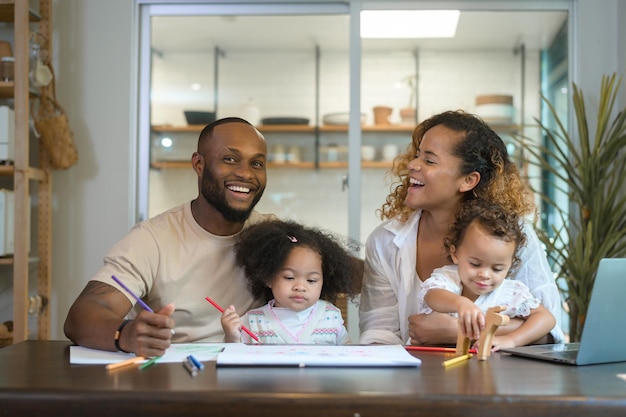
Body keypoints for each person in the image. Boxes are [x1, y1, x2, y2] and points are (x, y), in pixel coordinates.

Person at [64, 117, 276, 358]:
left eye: (257, 163)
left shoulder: (273, 235)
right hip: (177, 377)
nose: (246, 173)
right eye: (230, 159)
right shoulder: (152, 239)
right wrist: (126, 334)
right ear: (199, 164)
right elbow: (81, 315)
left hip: (253, 378)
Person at [358, 110, 564, 346]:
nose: (412, 165)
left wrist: (457, 331)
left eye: (429, 160)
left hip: (497, 380)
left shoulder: (512, 235)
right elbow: (378, 333)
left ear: (468, 180)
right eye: (417, 156)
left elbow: (550, 331)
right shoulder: (384, 241)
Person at [417, 199, 556, 351]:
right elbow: (432, 296)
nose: (484, 274)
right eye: (475, 264)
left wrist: (511, 340)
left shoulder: (512, 292)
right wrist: (461, 304)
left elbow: (547, 319)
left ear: (510, 265)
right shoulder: (448, 278)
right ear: (455, 253)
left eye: (497, 269)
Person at [220, 219, 357, 344]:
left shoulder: (330, 316)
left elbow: (348, 352)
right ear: (268, 278)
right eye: (289, 278)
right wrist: (231, 336)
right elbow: (235, 359)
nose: (300, 287)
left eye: (311, 280)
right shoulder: (253, 322)